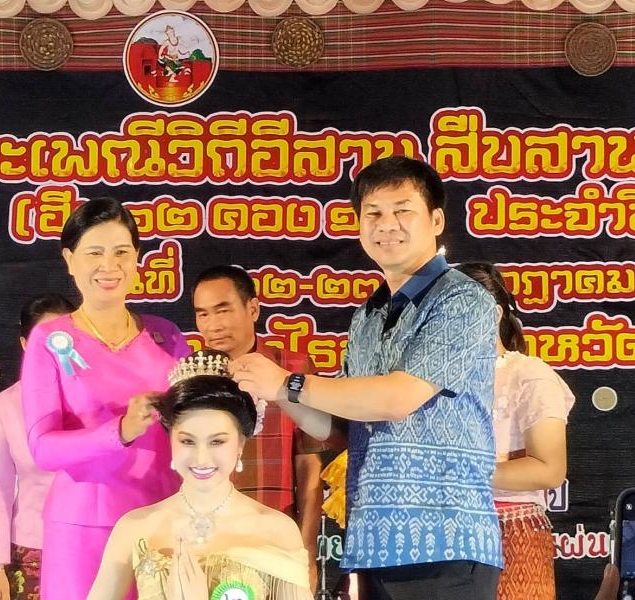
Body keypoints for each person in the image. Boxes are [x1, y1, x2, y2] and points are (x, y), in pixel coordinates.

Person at [231, 156, 503, 600]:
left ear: (436, 221)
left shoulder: (463, 299)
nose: (386, 224)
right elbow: (338, 427)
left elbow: (398, 398)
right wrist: (275, 392)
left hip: (446, 540)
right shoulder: (368, 315)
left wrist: (289, 383)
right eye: (373, 213)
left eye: (402, 210)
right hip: (374, 543)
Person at [21, 197, 190, 600]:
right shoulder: (50, 340)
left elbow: (192, 423)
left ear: (137, 258)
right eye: (94, 253)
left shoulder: (167, 336)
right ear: (70, 260)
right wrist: (120, 431)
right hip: (83, 528)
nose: (109, 266)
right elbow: (43, 448)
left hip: (162, 518)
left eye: (121, 252)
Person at [88, 360, 314, 600]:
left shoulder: (276, 529)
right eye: (187, 441)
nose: (201, 458)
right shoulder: (135, 526)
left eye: (217, 442)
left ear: (240, 443)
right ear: (171, 439)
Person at [192, 264, 324, 591]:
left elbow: (309, 465)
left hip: (275, 540)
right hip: (206, 542)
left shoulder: (292, 369)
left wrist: (305, 552)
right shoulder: (190, 378)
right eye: (202, 314)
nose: (213, 325)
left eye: (223, 310)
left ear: (253, 309)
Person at [456, 262, 575, 600]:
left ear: (494, 314)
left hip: (511, 534)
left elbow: (548, 469)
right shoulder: (426, 382)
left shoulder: (528, 374)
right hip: (439, 534)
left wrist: (453, 474)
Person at [0, 294, 75, 600]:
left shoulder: (101, 396)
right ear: (25, 344)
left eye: (64, 336)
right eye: (43, 339)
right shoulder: (6, 406)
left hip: (97, 544)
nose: (55, 347)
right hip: (34, 552)